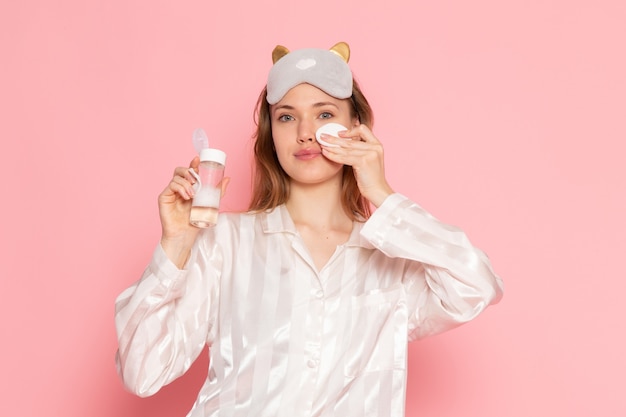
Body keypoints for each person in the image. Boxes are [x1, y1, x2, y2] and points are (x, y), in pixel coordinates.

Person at [115, 41, 503, 417]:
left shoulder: (394, 259)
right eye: (287, 116)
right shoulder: (224, 242)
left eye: (324, 114)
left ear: (357, 128)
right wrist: (176, 246)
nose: (304, 132)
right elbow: (142, 371)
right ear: (272, 134)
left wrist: (382, 194)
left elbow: (477, 285)